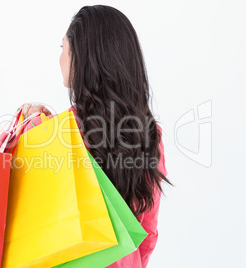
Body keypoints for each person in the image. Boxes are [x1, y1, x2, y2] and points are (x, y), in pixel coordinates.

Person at [19, 5, 172, 268]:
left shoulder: (51, 133)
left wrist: (28, 121)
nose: (60, 58)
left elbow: (24, 220)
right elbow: (148, 232)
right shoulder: (149, 135)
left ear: (81, 57)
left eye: (63, 48)